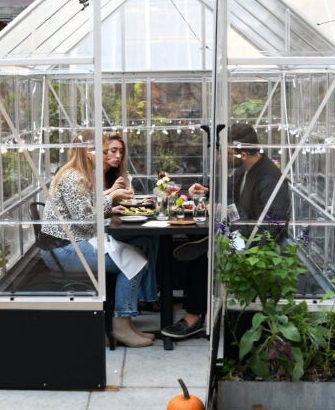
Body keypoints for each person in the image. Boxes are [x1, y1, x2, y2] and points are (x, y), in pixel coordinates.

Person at [161, 123, 290, 340]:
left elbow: (272, 227)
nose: (222, 157)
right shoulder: (246, 170)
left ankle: (194, 318)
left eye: (227, 152)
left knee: (203, 257)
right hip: (241, 236)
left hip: (259, 247)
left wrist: (226, 213)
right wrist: (208, 192)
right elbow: (231, 195)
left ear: (244, 152)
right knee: (196, 242)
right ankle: (193, 308)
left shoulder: (269, 179)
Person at [40, 130, 155, 348]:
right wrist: (111, 198)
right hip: (63, 250)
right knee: (134, 259)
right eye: (101, 151)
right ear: (88, 152)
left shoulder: (77, 174)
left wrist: (110, 203)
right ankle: (121, 324)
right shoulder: (73, 177)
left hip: (73, 243)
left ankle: (126, 322)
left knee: (135, 254)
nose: (104, 156)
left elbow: (86, 210)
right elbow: (85, 219)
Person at [102, 131, 160, 312]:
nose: (118, 156)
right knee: (148, 238)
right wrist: (112, 192)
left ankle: (146, 297)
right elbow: (91, 205)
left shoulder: (110, 174)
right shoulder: (93, 174)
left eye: (120, 151)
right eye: (113, 151)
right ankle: (146, 297)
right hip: (99, 234)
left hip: (109, 226)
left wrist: (123, 198)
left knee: (149, 240)